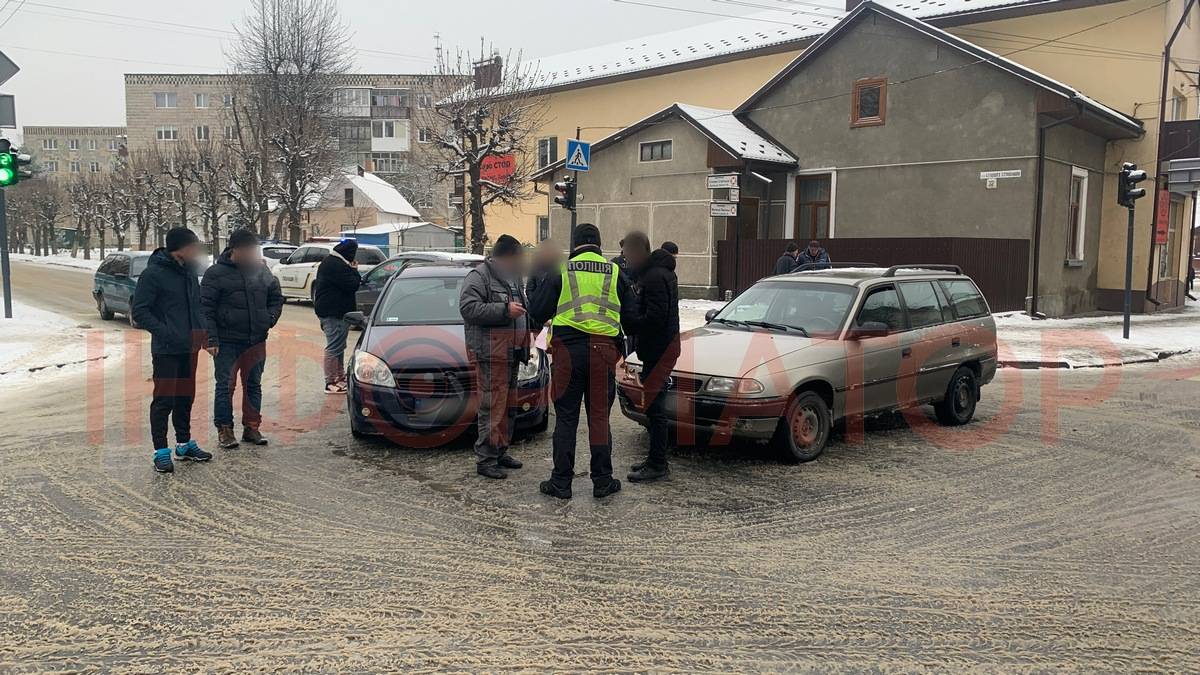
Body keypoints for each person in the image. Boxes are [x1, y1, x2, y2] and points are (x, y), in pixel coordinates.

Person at [529, 223, 637, 500]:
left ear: (574, 245)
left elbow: (537, 311)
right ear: (599, 245)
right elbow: (634, 319)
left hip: (567, 352)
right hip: (603, 353)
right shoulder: (615, 272)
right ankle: (602, 481)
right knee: (599, 418)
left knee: (566, 419)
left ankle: (561, 482)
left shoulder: (561, 271)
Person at [131, 227, 212, 473]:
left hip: (190, 348)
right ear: (180, 248)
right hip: (166, 349)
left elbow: (196, 307)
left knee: (185, 398)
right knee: (164, 401)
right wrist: (167, 332)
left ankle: (184, 444)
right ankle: (160, 451)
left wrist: (203, 335)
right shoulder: (153, 274)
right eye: (194, 246)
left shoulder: (189, 273)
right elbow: (140, 312)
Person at [201, 229, 285, 449]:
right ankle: (225, 429)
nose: (251, 254)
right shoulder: (215, 273)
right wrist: (211, 339)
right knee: (225, 386)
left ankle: (252, 427)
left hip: (256, 340)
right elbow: (205, 309)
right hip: (227, 341)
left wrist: (269, 319)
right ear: (234, 250)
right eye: (247, 249)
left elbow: (276, 297)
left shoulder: (261, 270)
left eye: (253, 249)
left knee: (253, 385)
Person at [459, 234, 531, 479]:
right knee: (492, 407)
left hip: (511, 352)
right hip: (491, 354)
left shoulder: (512, 278)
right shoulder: (479, 277)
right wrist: (504, 310)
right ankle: (486, 458)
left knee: (507, 406)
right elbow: (468, 309)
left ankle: (500, 450)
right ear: (507, 257)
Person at [313, 239, 361, 394]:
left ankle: (339, 378)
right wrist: (354, 270)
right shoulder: (336, 265)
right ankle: (331, 381)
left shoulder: (331, 262)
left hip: (334, 311)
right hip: (333, 312)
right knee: (334, 347)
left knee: (339, 346)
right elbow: (353, 285)